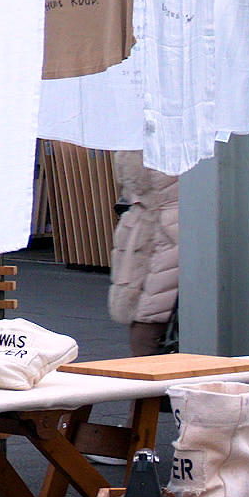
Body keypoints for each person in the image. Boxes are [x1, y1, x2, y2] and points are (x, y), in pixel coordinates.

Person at [109, 150, 178, 356]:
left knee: (147, 326)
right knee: (148, 323)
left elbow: (140, 181)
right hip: (157, 230)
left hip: (165, 233)